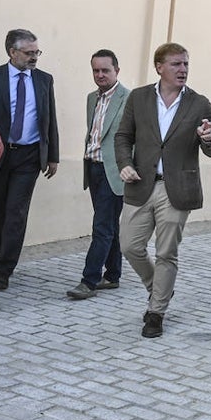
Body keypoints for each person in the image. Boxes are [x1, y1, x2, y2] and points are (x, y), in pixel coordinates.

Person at [114, 42, 211, 338]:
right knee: (130, 246)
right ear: (159, 67)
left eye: (186, 64)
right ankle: (159, 288)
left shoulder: (199, 103)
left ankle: (156, 312)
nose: (183, 69)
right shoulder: (138, 98)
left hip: (176, 189)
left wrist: (209, 137)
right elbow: (123, 136)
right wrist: (124, 163)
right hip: (140, 185)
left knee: (166, 253)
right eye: (176, 64)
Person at [0, 28, 60, 291]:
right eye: (29, 52)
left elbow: (50, 119)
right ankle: (0, 255)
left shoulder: (44, 80)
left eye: (37, 52)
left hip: (29, 156)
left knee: (16, 212)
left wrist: (53, 156)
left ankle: (3, 270)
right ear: (12, 52)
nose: (34, 57)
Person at [66, 50, 130, 300]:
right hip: (92, 167)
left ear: (117, 70)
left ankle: (89, 280)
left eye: (106, 70)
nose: (100, 75)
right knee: (109, 223)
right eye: (96, 70)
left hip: (113, 171)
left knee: (101, 226)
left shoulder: (129, 99)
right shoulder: (91, 98)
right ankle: (113, 274)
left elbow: (134, 139)